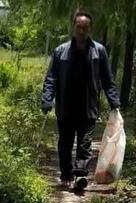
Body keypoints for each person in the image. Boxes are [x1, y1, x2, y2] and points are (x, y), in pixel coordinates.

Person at [41, 11, 121, 191]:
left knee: (85, 144)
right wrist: (47, 99)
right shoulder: (61, 51)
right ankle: (66, 175)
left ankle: (80, 176)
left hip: (88, 107)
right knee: (65, 143)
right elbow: (51, 78)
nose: (82, 31)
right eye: (79, 27)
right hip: (65, 106)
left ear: (90, 29)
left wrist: (114, 101)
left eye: (85, 28)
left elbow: (108, 80)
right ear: (74, 27)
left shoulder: (99, 51)